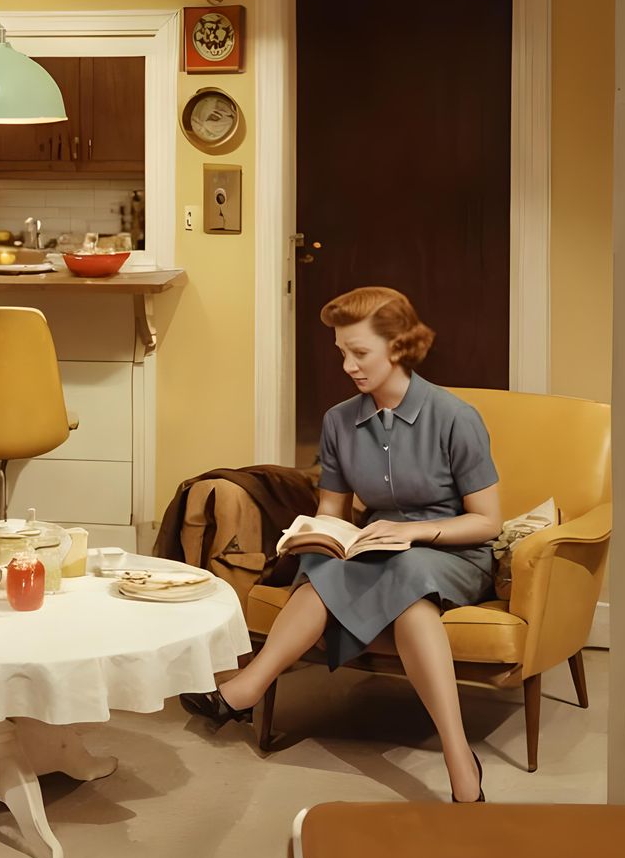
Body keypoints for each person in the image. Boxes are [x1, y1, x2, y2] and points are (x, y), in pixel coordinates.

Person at [180, 286, 502, 804]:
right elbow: (334, 509)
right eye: (341, 353)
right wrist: (320, 535)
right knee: (325, 569)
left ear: (399, 348)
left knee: (409, 582)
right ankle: (247, 689)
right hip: (376, 547)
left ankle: (456, 754)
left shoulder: (455, 418)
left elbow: (487, 522)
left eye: (360, 353)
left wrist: (413, 531)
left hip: (449, 550)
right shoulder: (339, 421)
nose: (348, 365)